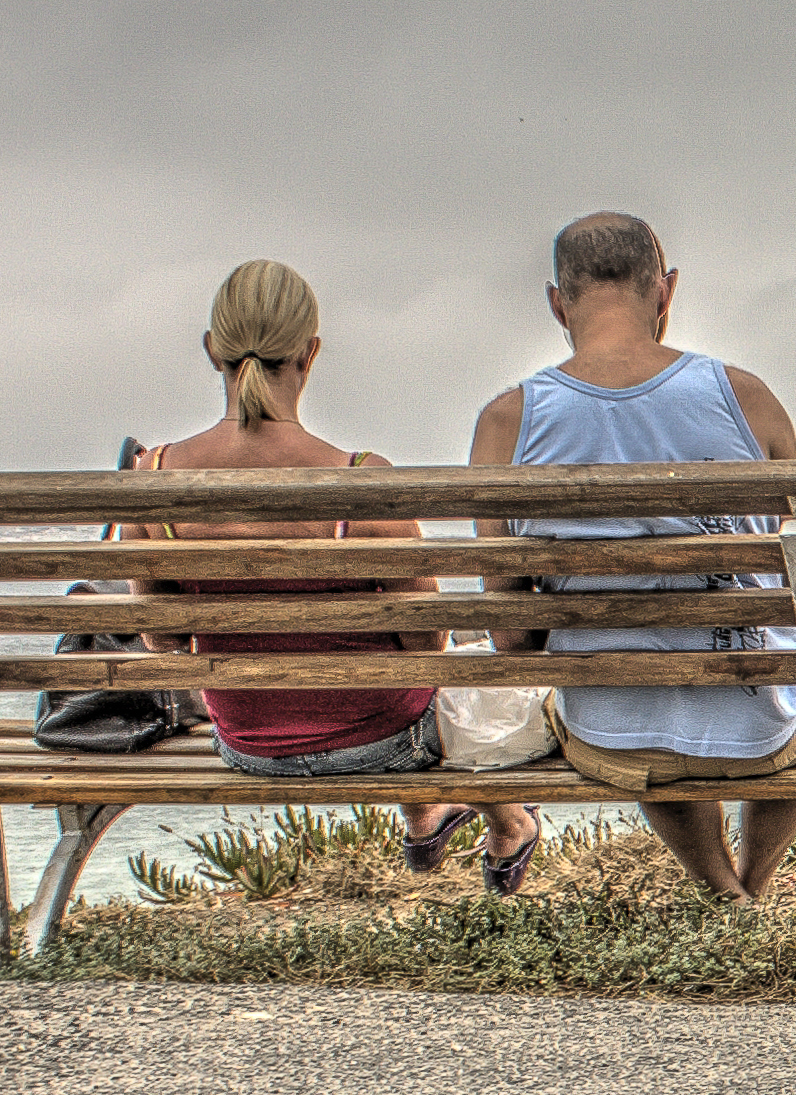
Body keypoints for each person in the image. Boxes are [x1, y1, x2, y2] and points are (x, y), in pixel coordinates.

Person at [129, 260, 538, 891]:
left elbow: (162, 641)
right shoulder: (362, 480)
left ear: (213, 350)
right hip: (383, 744)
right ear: (310, 353)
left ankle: (429, 812)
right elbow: (425, 646)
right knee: (486, 686)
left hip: (246, 746)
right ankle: (507, 824)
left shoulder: (150, 479)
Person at [472, 212, 796, 903]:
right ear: (665, 292)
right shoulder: (748, 400)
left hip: (617, 737)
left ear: (556, 302)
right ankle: (753, 883)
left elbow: (512, 635)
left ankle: (724, 891)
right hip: (761, 731)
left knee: (634, 707)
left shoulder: (510, 422)